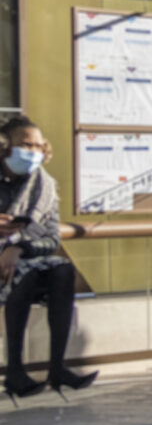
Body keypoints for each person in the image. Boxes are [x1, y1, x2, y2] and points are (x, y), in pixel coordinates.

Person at [1, 116, 95, 403]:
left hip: (19, 259)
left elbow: (52, 238)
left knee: (62, 269)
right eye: (24, 144)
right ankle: (15, 370)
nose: (32, 151)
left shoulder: (45, 186)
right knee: (24, 274)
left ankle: (57, 368)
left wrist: (18, 248)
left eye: (37, 146)